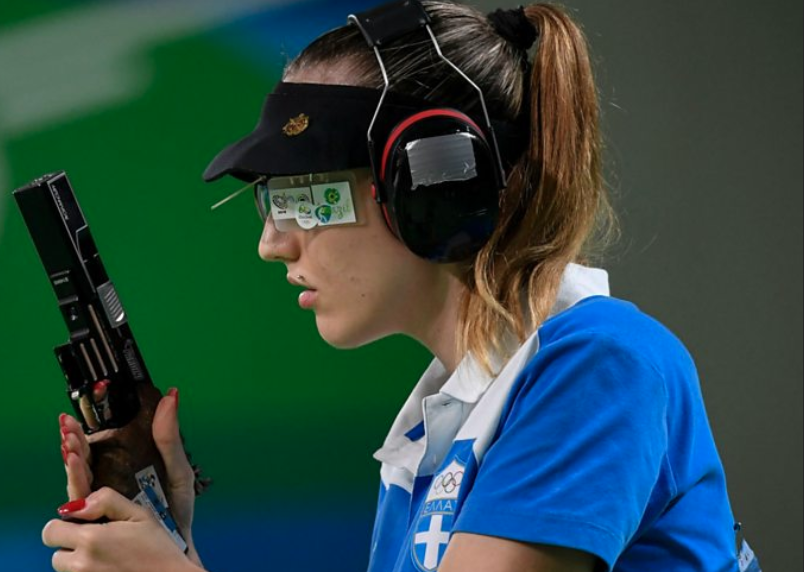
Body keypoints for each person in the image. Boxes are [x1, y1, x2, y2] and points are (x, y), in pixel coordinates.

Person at [41, 1, 754, 571]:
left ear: (431, 183)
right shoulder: (435, 436)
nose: (272, 242)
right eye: (271, 203)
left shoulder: (602, 363)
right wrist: (175, 548)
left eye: (304, 199)